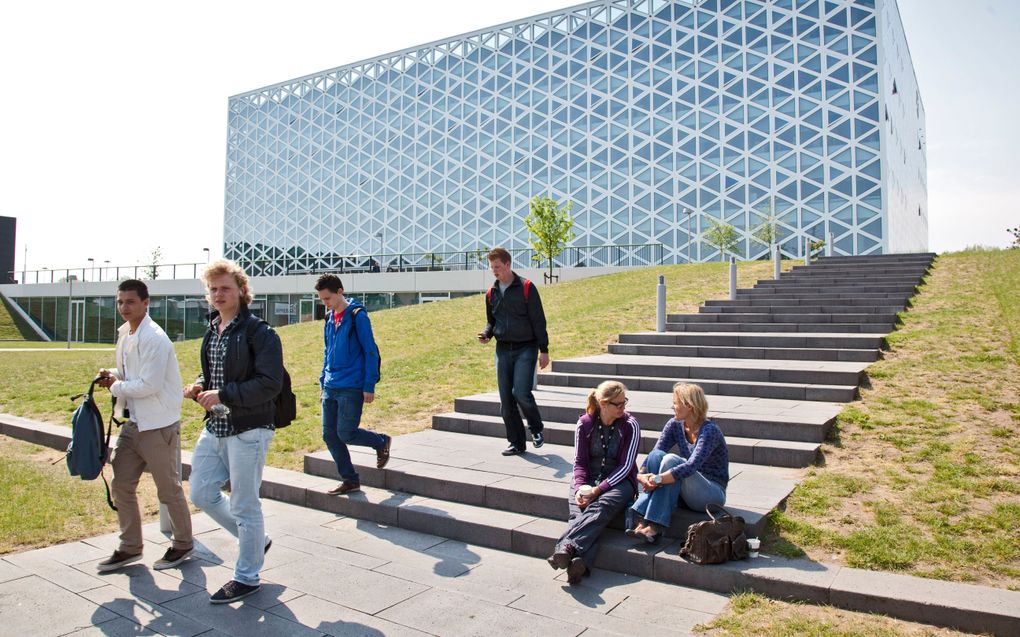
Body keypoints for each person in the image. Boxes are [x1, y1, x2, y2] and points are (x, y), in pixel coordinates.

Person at [184, 260, 283, 604]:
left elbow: (270, 384)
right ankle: (257, 540)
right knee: (200, 492)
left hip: (250, 429)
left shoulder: (260, 332)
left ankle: (247, 576)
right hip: (216, 425)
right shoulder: (213, 329)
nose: (217, 295)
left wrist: (223, 394)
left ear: (241, 290)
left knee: (244, 504)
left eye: (224, 288)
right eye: (212, 289)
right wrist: (199, 387)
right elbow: (211, 375)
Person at [95, 279, 193, 573]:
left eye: (130, 302)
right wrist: (112, 375)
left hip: (159, 425)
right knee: (121, 484)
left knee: (168, 489)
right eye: (120, 302)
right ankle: (130, 547)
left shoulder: (154, 337)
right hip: (134, 423)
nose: (124, 307)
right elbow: (131, 374)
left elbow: (149, 384)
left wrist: (115, 386)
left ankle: (184, 543)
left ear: (145, 303)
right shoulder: (126, 333)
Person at [547, 381, 640, 584]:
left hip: (620, 482)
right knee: (579, 512)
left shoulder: (630, 425)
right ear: (603, 404)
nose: (623, 407)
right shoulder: (585, 424)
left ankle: (566, 548)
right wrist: (581, 487)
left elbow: (626, 466)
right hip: (587, 479)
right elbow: (579, 462)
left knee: (600, 507)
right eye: (618, 404)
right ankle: (580, 563)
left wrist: (599, 489)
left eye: (624, 402)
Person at [314, 273, 389, 496]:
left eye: (327, 299)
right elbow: (328, 352)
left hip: (352, 385)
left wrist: (369, 385)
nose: (325, 303)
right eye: (321, 299)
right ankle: (350, 479)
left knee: (346, 433)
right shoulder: (329, 319)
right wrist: (322, 383)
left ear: (340, 292)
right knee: (329, 435)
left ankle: (381, 441)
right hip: (331, 384)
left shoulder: (358, 316)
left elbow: (370, 351)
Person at [629, 383, 729, 544]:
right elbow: (654, 453)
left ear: (689, 405)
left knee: (671, 460)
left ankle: (652, 524)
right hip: (685, 494)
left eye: (676, 402)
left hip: (711, 494)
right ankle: (644, 522)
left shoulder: (709, 431)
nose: (672, 406)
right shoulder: (675, 424)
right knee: (657, 455)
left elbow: (691, 467)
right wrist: (641, 475)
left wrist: (657, 480)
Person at [476, 247, 550, 456]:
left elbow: (538, 321)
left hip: (526, 347)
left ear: (508, 264)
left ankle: (536, 429)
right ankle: (516, 442)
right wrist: (486, 334)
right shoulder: (491, 293)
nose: (494, 271)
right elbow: (492, 322)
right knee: (506, 400)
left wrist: (544, 350)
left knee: (521, 393)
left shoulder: (526, 287)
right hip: (503, 349)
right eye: (492, 267)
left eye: (497, 267)